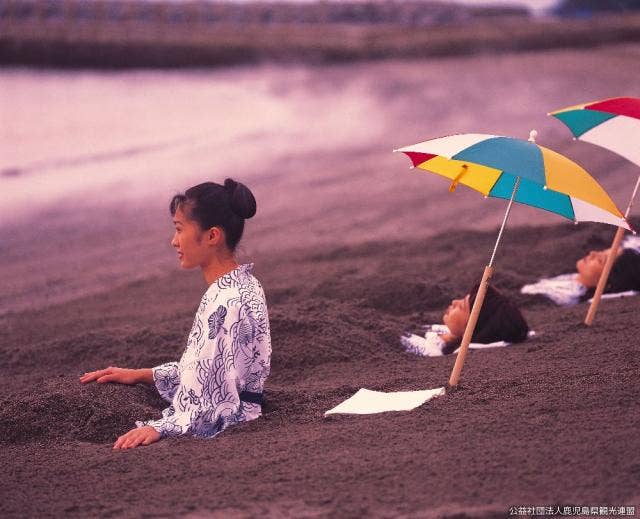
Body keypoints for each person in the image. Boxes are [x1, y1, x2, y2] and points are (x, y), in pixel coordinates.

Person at [80, 179, 271, 450]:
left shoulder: (227, 303)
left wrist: (159, 426)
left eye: (179, 229)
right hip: (242, 406)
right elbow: (205, 372)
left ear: (212, 236)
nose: (173, 241)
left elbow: (215, 402)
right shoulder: (245, 284)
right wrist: (142, 374)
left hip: (236, 418)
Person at [401, 283, 529, 357]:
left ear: (472, 327)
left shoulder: (430, 351)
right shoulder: (442, 332)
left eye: (461, 306)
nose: (454, 302)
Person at [521, 235, 640, 305]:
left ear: (607, 283)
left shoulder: (566, 296)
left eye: (600, 260)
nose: (593, 253)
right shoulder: (571, 278)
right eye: (601, 252)